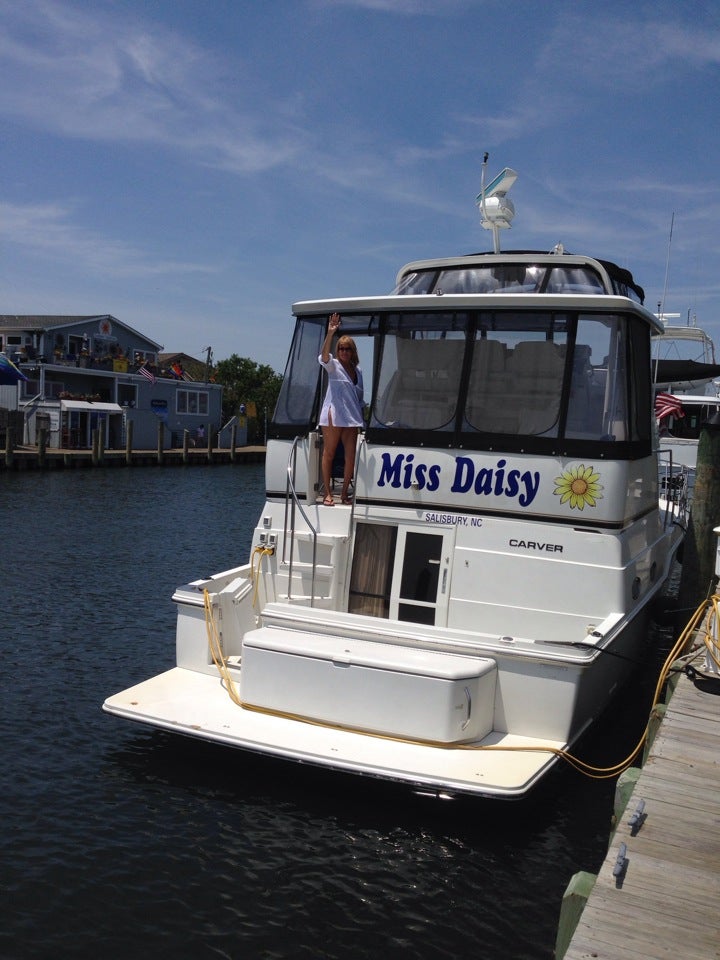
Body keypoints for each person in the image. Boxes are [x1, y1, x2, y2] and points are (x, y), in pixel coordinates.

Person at [318, 312, 363, 505]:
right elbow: (324, 357)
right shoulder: (333, 366)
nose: (344, 351)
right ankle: (328, 493)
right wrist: (331, 333)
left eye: (347, 349)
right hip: (333, 416)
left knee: (350, 456)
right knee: (329, 452)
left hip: (352, 417)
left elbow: (359, 396)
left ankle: (344, 493)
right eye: (341, 348)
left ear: (352, 351)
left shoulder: (358, 371)